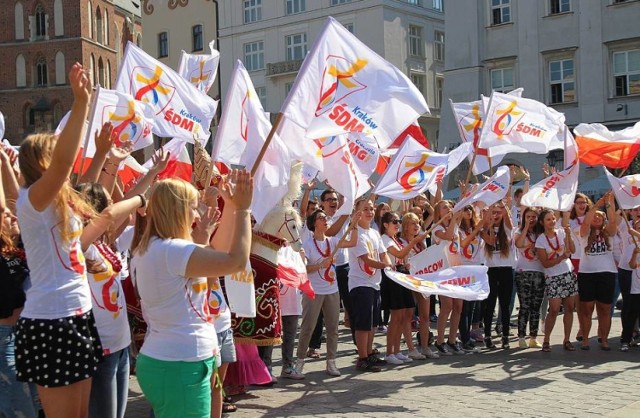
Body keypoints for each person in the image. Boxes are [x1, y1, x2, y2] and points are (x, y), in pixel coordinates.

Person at [14, 64, 104, 418]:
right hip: (51, 321)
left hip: (76, 314)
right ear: (43, 164)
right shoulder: (32, 200)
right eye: (55, 155)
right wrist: (81, 102)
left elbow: (86, 186)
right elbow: (66, 164)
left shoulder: (57, 202)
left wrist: (101, 153)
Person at [131, 171, 253, 418]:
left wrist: (230, 206)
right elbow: (236, 261)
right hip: (179, 364)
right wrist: (243, 211)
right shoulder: (171, 251)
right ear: (177, 210)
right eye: (193, 208)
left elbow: (215, 251)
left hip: (178, 360)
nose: (197, 215)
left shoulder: (161, 249)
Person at [295, 209, 358, 377]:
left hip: (332, 290)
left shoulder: (333, 241)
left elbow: (352, 243)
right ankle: (299, 362)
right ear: (314, 223)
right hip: (314, 291)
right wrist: (320, 265)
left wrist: (355, 224)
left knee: (333, 328)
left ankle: (331, 362)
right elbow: (304, 269)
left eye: (326, 217)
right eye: (321, 218)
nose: (325, 220)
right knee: (308, 327)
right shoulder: (307, 245)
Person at [0, 157, 40, 417]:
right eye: (4, 213)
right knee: (17, 408)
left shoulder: (18, 248)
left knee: (35, 407)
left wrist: (5, 164)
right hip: (4, 341)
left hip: (26, 336)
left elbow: (20, 204)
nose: (11, 214)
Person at [348, 198, 392, 372]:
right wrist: (386, 265)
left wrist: (388, 263)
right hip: (360, 283)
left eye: (371, 209)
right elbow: (367, 260)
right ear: (357, 212)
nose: (369, 212)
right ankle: (362, 358)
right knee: (363, 324)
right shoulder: (355, 233)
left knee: (373, 323)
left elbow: (383, 253)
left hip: (375, 283)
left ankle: (369, 353)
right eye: (365, 209)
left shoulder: (374, 232)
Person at [379, 211, 428, 363]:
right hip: (393, 278)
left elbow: (401, 257)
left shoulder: (394, 239)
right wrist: (414, 242)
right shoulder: (385, 239)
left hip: (402, 275)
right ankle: (389, 352)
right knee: (396, 317)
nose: (397, 224)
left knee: (405, 314)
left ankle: (397, 350)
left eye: (398, 221)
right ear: (386, 224)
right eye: (394, 221)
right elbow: (399, 254)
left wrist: (405, 263)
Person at [577, 193, 617, 350]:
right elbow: (586, 220)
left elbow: (613, 220)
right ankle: (586, 340)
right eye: (595, 216)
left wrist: (608, 204)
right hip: (587, 273)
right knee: (587, 308)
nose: (597, 218)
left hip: (606, 273)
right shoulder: (584, 232)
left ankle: (604, 339)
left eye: (600, 217)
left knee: (605, 308)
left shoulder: (609, 233)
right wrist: (596, 205)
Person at [535, 210, 576, 352]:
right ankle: (546, 340)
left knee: (569, 308)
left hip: (568, 273)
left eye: (553, 219)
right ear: (542, 222)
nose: (552, 221)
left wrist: (569, 233)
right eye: (548, 219)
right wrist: (561, 258)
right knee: (553, 309)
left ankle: (567, 339)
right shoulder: (540, 239)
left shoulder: (561, 232)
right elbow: (545, 263)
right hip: (553, 277)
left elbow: (573, 249)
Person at [399, 212, 438, 359]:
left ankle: (425, 346)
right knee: (408, 316)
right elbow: (402, 258)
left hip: (422, 281)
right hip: (408, 281)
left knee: (425, 315)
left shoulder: (420, 242)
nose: (416, 226)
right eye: (412, 224)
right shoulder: (402, 242)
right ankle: (410, 348)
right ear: (405, 227)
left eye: (417, 223)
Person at [431, 201, 465, 355]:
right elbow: (448, 236)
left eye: (450, 206)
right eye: (444, 207)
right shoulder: (436, 228)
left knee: (458, 306)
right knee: (447, 307)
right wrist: (453, 221)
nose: (449, 209)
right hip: (443, 273)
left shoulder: (454, 225)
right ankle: (439, 341)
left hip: (456, 270)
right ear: (438, 212)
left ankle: (452, 339)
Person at [480, 202, 515, 349]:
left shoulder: (507, 228)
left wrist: (501, 204)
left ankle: (505, 335)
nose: (496, 215)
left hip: (506, 269)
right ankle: (487, 336)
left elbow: (507, 216)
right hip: (491, 270)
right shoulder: (484, 229)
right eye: (493, 212)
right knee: (490, 304)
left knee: (505, 304)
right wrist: (489, 217)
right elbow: (491, 241)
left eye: (498, 212)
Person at [514, 207, 545, 349]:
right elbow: (519, 244)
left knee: (536, 307)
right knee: (524, 306)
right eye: (528, 217)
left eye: (534, 216)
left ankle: (533, 337)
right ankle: (521, 337)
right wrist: (526, 226)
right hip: (523, 272)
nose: (531, 219)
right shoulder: (519, 231)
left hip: (539, 272)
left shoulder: (541, 234)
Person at [458, 205, 486, 351]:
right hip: (464, 269)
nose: (468, 212)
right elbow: (463, 244)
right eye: (465, 210)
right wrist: (476, 230)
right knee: (465, 307)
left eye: (470, 210)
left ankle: (468, 336)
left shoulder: (478, 227)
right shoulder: (459, 230)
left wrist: (483, 225)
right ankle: (464, 337)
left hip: (477, 268)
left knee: (473, 305)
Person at [622, 237, 640, 352]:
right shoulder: (632, 245)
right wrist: (634, 254)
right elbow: (631, 265)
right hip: (636, 287)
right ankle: (625, 340)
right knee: (632, 314)